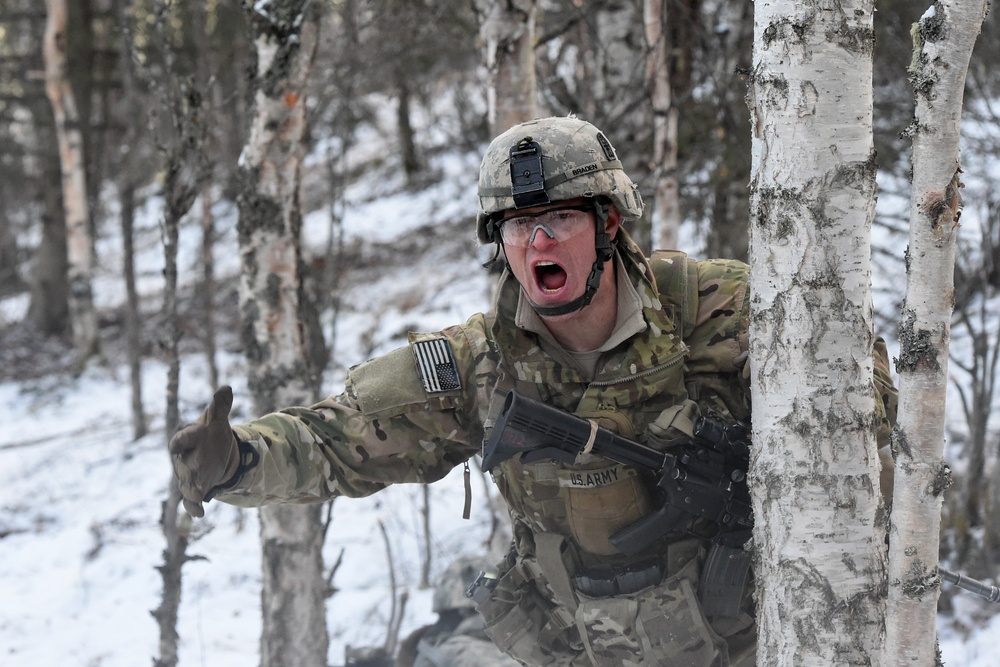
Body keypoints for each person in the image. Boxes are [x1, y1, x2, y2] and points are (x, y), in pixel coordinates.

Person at [170, 115, 898, 667]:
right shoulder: (479, 364)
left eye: (557, 220)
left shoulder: (724, 311)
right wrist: (237, 460)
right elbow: (341, 439)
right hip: (570, 649)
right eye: (519, 227)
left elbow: (859, 409)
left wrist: (768, 484)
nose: (538, 244)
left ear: (607, 224)